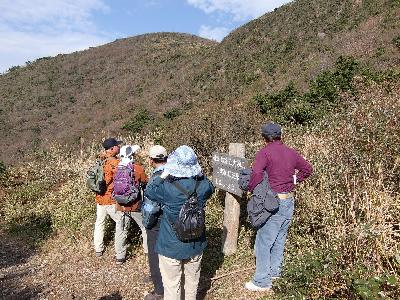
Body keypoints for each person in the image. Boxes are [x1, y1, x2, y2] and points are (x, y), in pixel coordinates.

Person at [245, 122, 313, 292]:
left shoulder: (265, 152)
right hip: (288, 201)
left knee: (263, 240)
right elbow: (307, 169)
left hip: (272, 202)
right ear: (280, 135)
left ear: (264, 138)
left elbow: (257, 173)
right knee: (279, 238)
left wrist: (252, 189)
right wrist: (294, 180)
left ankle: (261, 281)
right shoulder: (291, 152)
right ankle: (275, 272)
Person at [145, 145, 214, 300]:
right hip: (196, 242)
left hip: (170, 244)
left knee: (171, 284)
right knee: (192, 282)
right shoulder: (202, 186)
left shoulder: (167, 187)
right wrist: (198, 173)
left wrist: (163, 175)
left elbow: (150, 190)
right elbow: (210, 186)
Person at [114, 144, 149, 263]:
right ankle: (147, 252)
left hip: (120, 205)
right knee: (145, 227)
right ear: (131, 155)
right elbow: (145, 182)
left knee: (121, 230)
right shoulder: (137, 168)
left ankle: (120, 256)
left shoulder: (117, 168)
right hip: (135, 204)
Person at [93, 137, 125, 261]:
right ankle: (119, 252)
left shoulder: (101, 160)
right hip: (110, 198)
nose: (119, 147)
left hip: (99, 197)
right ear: (112, 149)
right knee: (120, 221)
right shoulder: (114, 162)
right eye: (117, 146)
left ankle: (98, 248)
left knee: (100, 222)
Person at [143, 145, 168, 300]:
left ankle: (159, 290)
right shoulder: (175, 173)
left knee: (154, 254)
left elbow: (151, 208)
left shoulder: (155, 179)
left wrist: (147, 223)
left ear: (151, 161)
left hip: (157, 222)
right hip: (173, 220)